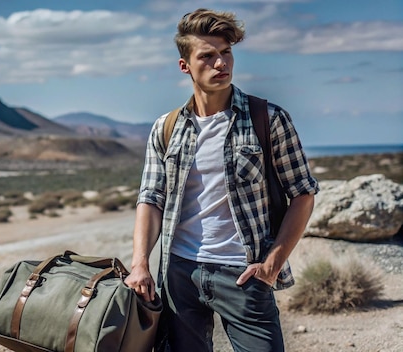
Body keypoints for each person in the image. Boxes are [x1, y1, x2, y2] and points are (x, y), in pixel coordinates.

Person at [124, 8, 319, 352]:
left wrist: (272, 264)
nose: (220, 64)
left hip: (244, 275)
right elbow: (151, 198)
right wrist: (140, 263)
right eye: (208, 56)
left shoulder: (268, 119)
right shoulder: (167, 128)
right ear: (185, 66)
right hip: (180, 274)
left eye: (226, 53)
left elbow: (303, 194)